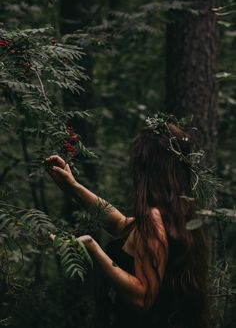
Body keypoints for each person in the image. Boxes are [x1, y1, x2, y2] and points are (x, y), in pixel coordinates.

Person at [46, 117, 210, 328]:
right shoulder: (172, 214)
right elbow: (120, 224)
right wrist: (73, 186)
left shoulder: (154, 218)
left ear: (148, 167)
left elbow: (143, 298)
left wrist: (93, 249)